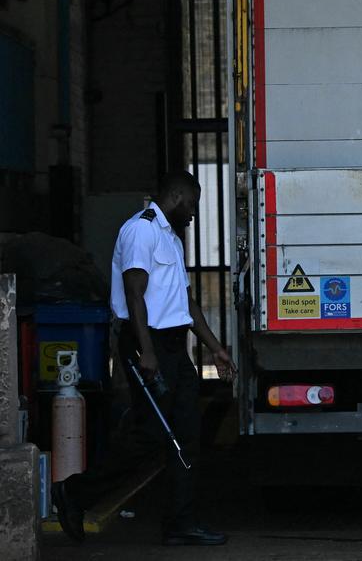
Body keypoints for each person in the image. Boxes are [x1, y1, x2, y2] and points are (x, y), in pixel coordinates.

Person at [52, 171, 236, 546]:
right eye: (193, 204)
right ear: (177, 196)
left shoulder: (170, 237)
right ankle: (74, 493)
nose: (194, 214)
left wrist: (215, 348)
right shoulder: (141, 231)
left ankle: (180, 523)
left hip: (172, 347)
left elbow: (186, 303)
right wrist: (147, 350)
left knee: (187, 434)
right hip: (145, 345)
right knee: (151, 435)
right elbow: (135, 294)